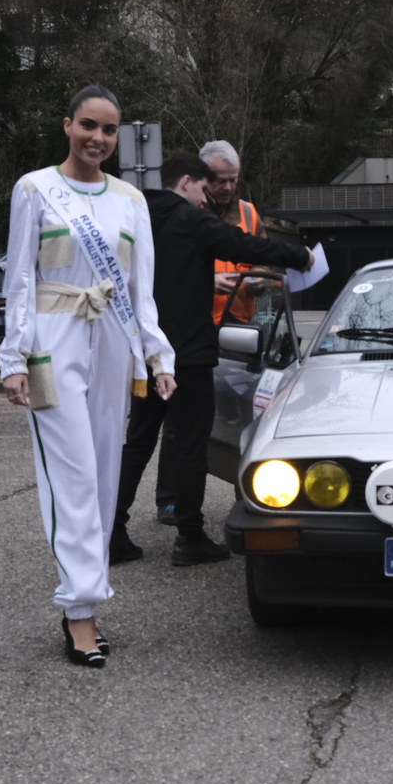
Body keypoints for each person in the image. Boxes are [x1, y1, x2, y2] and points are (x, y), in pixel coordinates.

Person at [0, 84, 177, 668]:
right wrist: (13, 358)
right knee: (71, 476)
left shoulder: (131, 200)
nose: (97, 138)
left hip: (112, 344)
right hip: (54, 343)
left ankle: (85, 599)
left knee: (102, 477)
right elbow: (20, 279)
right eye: (88, 126)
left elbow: (141, 288)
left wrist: (158, 356)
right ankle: (80, 611)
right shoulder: (35, 189)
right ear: (67, 125)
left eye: (108, 129)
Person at [110, 153, 312, 567]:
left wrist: (206, 276)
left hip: (146, 352)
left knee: (138, 442)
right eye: (202, 189)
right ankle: (190, 537)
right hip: (188, 354)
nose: (205, 199)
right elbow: (242, 243)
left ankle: (111, 533)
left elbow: (160, 275)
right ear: (186, 181)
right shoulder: (189, 218)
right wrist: (300, 256)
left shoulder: (136, 217)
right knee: (191, 446)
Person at [150, 140, 271, 528]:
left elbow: (265, 262)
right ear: (200, 178)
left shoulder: (248, 213)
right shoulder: (184, 211)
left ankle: (246, 490)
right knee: (181, 419)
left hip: (239, 330)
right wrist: (208, 280)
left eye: (234, 180)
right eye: (220, 180)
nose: (227, 187)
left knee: (238, 414)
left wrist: (259, 282)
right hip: (194, 327)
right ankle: (171, 500)